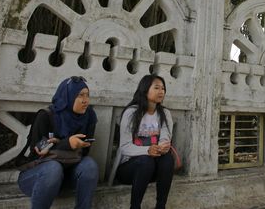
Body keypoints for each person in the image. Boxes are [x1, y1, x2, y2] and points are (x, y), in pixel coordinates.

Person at [17, 76, 99, 209]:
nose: (85, 100)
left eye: (87, 95)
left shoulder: (89, 116)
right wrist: (66, 143)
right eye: (80, 95)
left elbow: (84, 152)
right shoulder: (47, 115)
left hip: (66, 175)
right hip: (37, 175)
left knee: (90, 165)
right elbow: (36, 151)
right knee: (53, 168)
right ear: (68, 96)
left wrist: (73, 144)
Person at [117, 74, 175, 209]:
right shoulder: (132, 113)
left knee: (167, 159)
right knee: (145, 160)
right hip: (129, 169)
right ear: (145, 90)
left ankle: (161, 206)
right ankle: (135, 206)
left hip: (154, 170)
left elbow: (165, 138)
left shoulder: (165, 113)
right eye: (156, 88)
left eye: (163, 88)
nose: (161, 91)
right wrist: (147, 150)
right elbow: (124, 147)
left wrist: (163, 147)